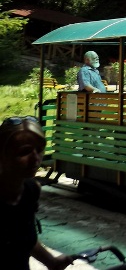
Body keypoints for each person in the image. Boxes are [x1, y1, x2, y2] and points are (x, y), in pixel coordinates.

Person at [0, 115, 74, 270]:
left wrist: (51, 261)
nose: (35, 158)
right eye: (25, 152)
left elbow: (24, 237)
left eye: (39, 150)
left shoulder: (31, 191)